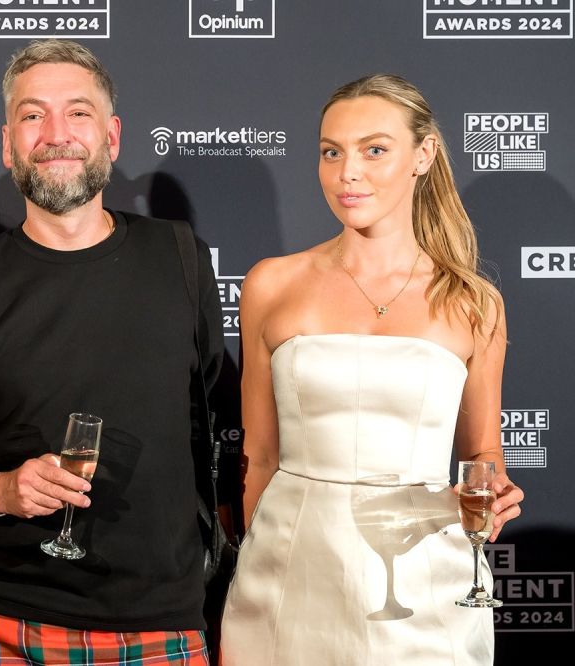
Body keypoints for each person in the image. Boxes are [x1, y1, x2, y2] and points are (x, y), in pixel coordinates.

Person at [0, 39, 224, 664]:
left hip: (161, 620)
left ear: (112, 135)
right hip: (7, 621)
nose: (56, 134)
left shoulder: (179, 256)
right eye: (33, 115)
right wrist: (0, 491)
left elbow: (207, 419)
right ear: (7, 145)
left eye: (78, 112)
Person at [219, 74, 525, 665]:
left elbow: (483, 453)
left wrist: (494, 489)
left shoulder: (474, 303)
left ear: (423, 156)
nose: (347, 173)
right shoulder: (270, 284)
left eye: (374, 150)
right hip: (291, 564)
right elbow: (258, 456)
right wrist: (257, 557)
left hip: (424, 571)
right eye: (331, 152)